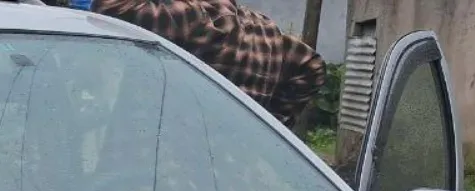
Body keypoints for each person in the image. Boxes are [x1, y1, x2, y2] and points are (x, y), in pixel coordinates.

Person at [45, 0, 327, 127]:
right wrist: (263, 129)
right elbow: (311, 66)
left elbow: (110, 8)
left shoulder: (197, 18)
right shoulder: (264, 30)